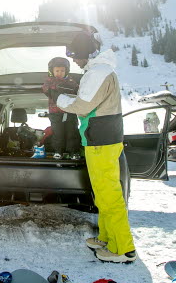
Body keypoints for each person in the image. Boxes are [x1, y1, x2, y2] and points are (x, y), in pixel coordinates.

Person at [52, 31, 137, 263]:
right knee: (102, 193)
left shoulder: (98, 72)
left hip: (101, 141)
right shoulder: (98, 70)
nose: (73, 61)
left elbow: (82, 105)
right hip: (100, 139)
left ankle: (123, 248)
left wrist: (59, 99)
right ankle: (107, 237)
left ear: (84, 53)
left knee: (110, 195)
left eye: (74, 55)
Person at [41, 57, 81, 159]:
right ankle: (58, 151)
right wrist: (57, 87)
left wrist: (70, 87)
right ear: (52, 71)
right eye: (57, 70)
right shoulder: (49, 81)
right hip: (56, 113)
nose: (60, 73)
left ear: (66, 71)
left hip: (70, 112)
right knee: (58, 133)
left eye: (62, 70)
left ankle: (73, 152)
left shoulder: (71, 81)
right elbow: (45, 89)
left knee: (72, 132)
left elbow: (77, 90)